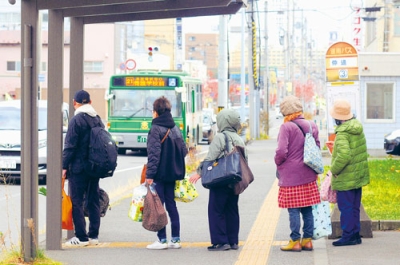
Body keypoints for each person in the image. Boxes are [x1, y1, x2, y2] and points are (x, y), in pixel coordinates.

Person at [190, 108, 247, 251]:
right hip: (235, 179)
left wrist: (199, 172)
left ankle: (221, 242)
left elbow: (211, 158)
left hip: (221, 179)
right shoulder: (239, 138)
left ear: (223, 121)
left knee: (216, 210)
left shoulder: (221, 137)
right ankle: (233, 241)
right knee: (232, 210)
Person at [274, 95, 321, 252]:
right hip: (309, 174)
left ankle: (295, 240)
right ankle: (307, 240)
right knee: (307, 209)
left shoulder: (286, 127)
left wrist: (278, 162)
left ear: (285, 113)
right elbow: (317, 147)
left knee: (293, 209)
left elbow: (281, 151)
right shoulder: (311, 125)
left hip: (291, 175)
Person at [145, 96, 188, 250]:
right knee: (171, 206)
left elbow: (153, 155)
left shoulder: (155, 128)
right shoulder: (175, 128)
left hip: (159, 175)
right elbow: (184, 150)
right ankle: (175, 240)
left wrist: (149, 176)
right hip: (173, 174)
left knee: (158, 207)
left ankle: (162, 240)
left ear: (156, 112)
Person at [62, 90, 103, 247]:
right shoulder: (97, 119)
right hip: (94, 167)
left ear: (74, 103)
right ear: (90, 102)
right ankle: (94, 236)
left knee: (77, 201)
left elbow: (70, 146)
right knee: (93, 200)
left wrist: (64, 166)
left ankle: (81, 237)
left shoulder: (76, 120)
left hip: (78, 168)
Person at [329, 99, 370, 247]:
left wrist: (333, 170)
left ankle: (347, 236)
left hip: (346, 177)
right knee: (354, 206)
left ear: (338, 118)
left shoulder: (342, 133)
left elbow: (344, 156)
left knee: (345, 207)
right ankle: (355, 235)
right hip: (357, 175)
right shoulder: (357, 128)